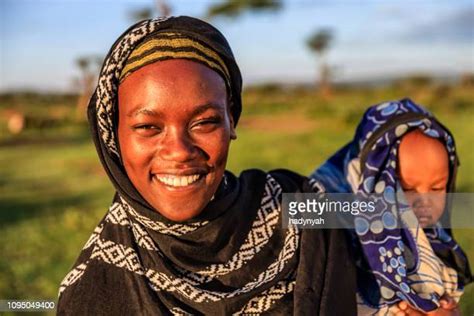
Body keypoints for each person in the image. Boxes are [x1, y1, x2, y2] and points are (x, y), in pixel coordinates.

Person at [57, 16, 356, 315]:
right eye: (148, 127)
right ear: (113, 136)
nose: (179, 151)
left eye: (205, 122)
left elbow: (384, 214)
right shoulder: (92, 290)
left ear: (231, 121)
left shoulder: (286, 204)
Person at [311, 99, 472, 315]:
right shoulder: (332, 220)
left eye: (436, 188)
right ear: (376, 182)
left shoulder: (436, 238)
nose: (425, 201)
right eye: (408, 188)